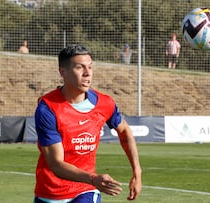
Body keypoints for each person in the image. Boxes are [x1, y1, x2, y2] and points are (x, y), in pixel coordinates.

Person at [33, 44, 142, 202]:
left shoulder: (104, 103)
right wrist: (92, 178)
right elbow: (56, 164)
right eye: (79, 68)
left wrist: (137, 173)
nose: (87, 73)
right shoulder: (47, 109)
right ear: (63, 72)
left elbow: (124, 131)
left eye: (90, 67)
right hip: (50, 193)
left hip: (85, 190)